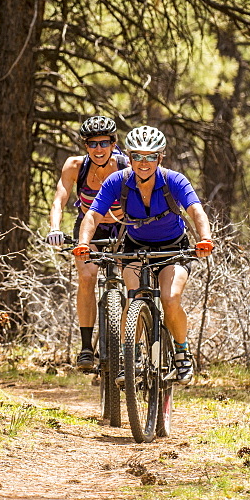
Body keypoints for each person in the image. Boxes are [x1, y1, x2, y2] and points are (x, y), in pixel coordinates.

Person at [73, 125, 214, 384]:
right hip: (135, 247)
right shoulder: (118, 180)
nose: (144, 162)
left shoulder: (175, 180)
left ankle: (182, 353)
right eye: (137, 156)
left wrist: (204, 238)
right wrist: (83, 243)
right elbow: (92, 214)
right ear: (129, 156)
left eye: (150, 156)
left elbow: (196, 210)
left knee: (171, 299)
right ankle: (132, 357)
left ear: (160, 157)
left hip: (174, 248)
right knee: (134, 295)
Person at [46, 116, 130, 371]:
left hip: (123, 227)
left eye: (104, 143)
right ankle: (85, 348)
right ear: (85, 146)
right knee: (87, 275)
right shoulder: (75, 166)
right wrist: (55, 229)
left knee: (132, 276)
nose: (99, 149)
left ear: (114, 143)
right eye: (92, 144)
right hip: (88, 228)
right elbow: (59, 200)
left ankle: (132, 342)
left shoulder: (126, 166)